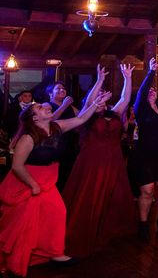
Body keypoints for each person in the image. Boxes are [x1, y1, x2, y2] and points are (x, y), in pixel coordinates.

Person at [0, 92, 111, 277]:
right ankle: (16, 258)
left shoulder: (57, 126)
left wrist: (96, 103)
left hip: (48, 179)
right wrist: (33, 185)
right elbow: (17, 166)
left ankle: (56, 253)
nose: (46, 106)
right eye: (40, 107)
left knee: (58, 212)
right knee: (24, 222)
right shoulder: (27, 138)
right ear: (34, 117)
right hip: (27, 181)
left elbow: (82, 118)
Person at [62, 64, 137, 257]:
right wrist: (100, 80)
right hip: (92, 161)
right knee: (91, 194)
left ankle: (107, 232)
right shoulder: (86, 116)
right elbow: (88, 101)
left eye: (104, 97)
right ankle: (87, 231)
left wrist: (127, 78)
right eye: (99, 97)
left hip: (114, 160)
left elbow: (125, 98)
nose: (102, 99)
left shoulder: (114, 114)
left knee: (113, 194)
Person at [130, 57, 158, 239]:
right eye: (149, 91)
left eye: (154, 90)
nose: (151, 92)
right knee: (147, 191)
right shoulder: (141, 108)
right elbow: (141, 91)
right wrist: (150, 71)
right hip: (145, 155)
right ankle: (142, 224)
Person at [46, 81, 80, 190]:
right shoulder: (47, 105)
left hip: (70, 142)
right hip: (55, 142)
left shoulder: (71, 108)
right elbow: (50, 120)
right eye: (58, 88)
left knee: (68, 172)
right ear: (50, 93)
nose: (62, 90)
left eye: (63, 88)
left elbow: (82, 118)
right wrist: (64, 105)